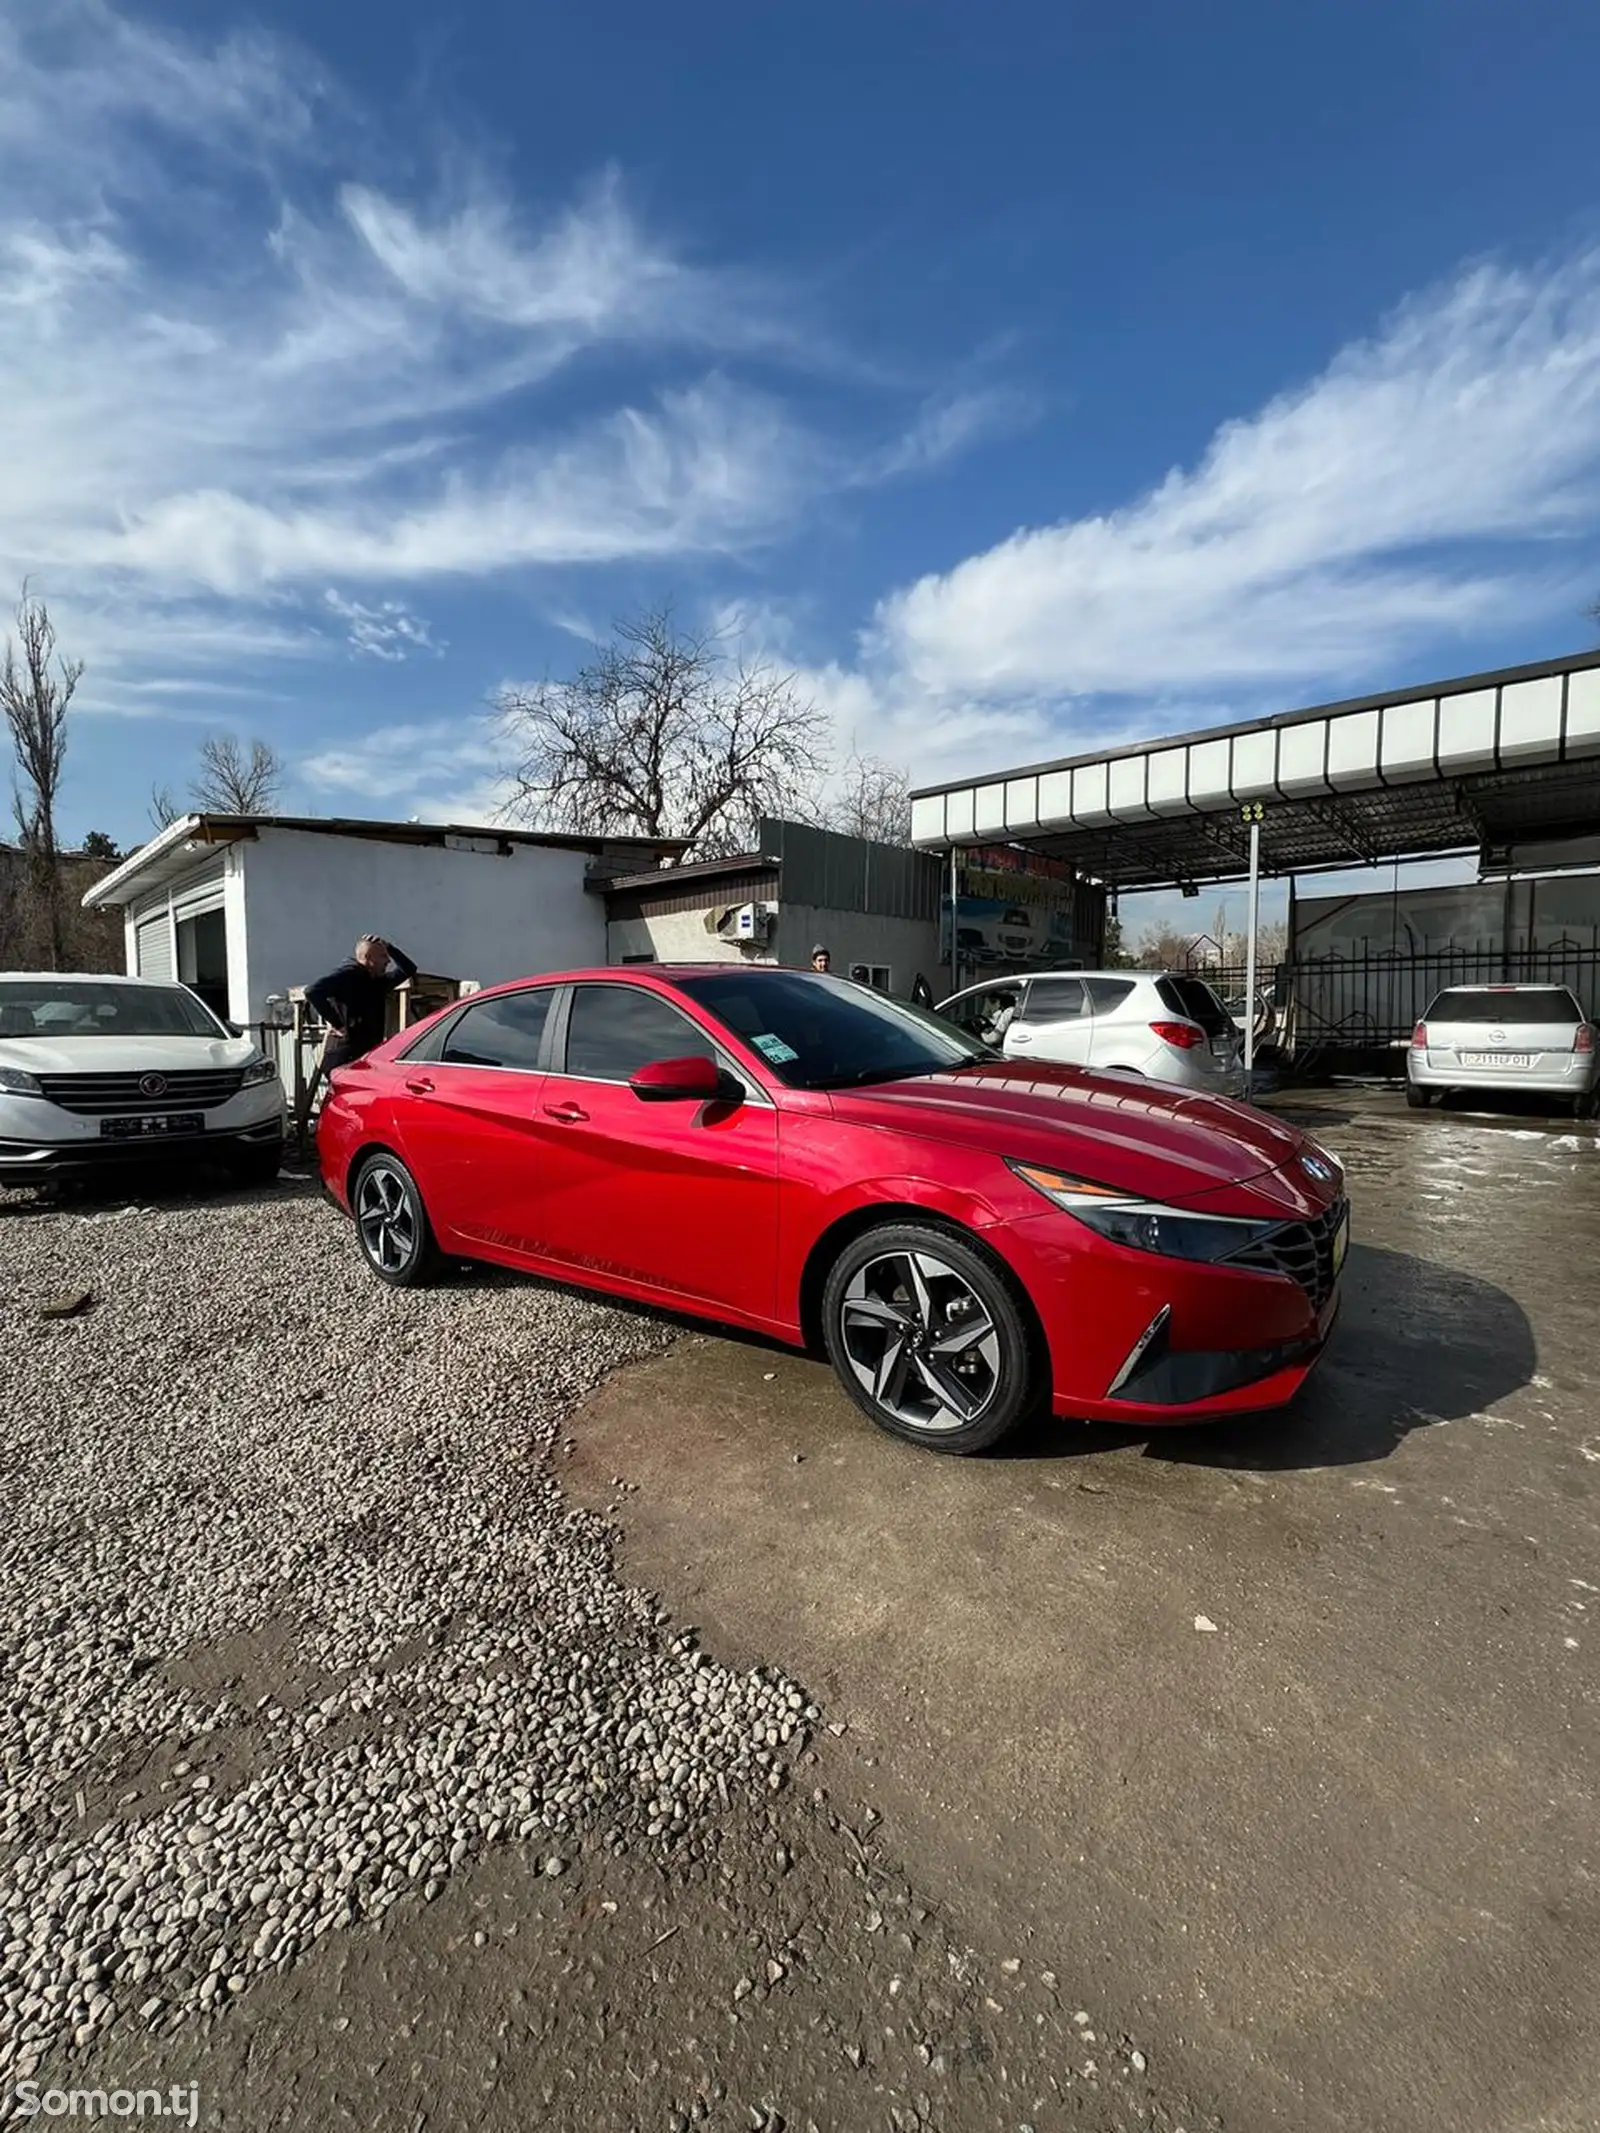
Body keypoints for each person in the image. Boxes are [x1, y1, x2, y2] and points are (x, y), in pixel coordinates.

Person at [305, 934, 418, 1071]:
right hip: (344, 1057)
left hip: (364, 1056)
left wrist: (388, 946)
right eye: (383, 956)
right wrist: (337, 1023)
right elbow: (312, 991)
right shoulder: (348, 975)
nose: (388, 961)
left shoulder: (377, 983)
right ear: (368, 958)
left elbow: (409, 968)